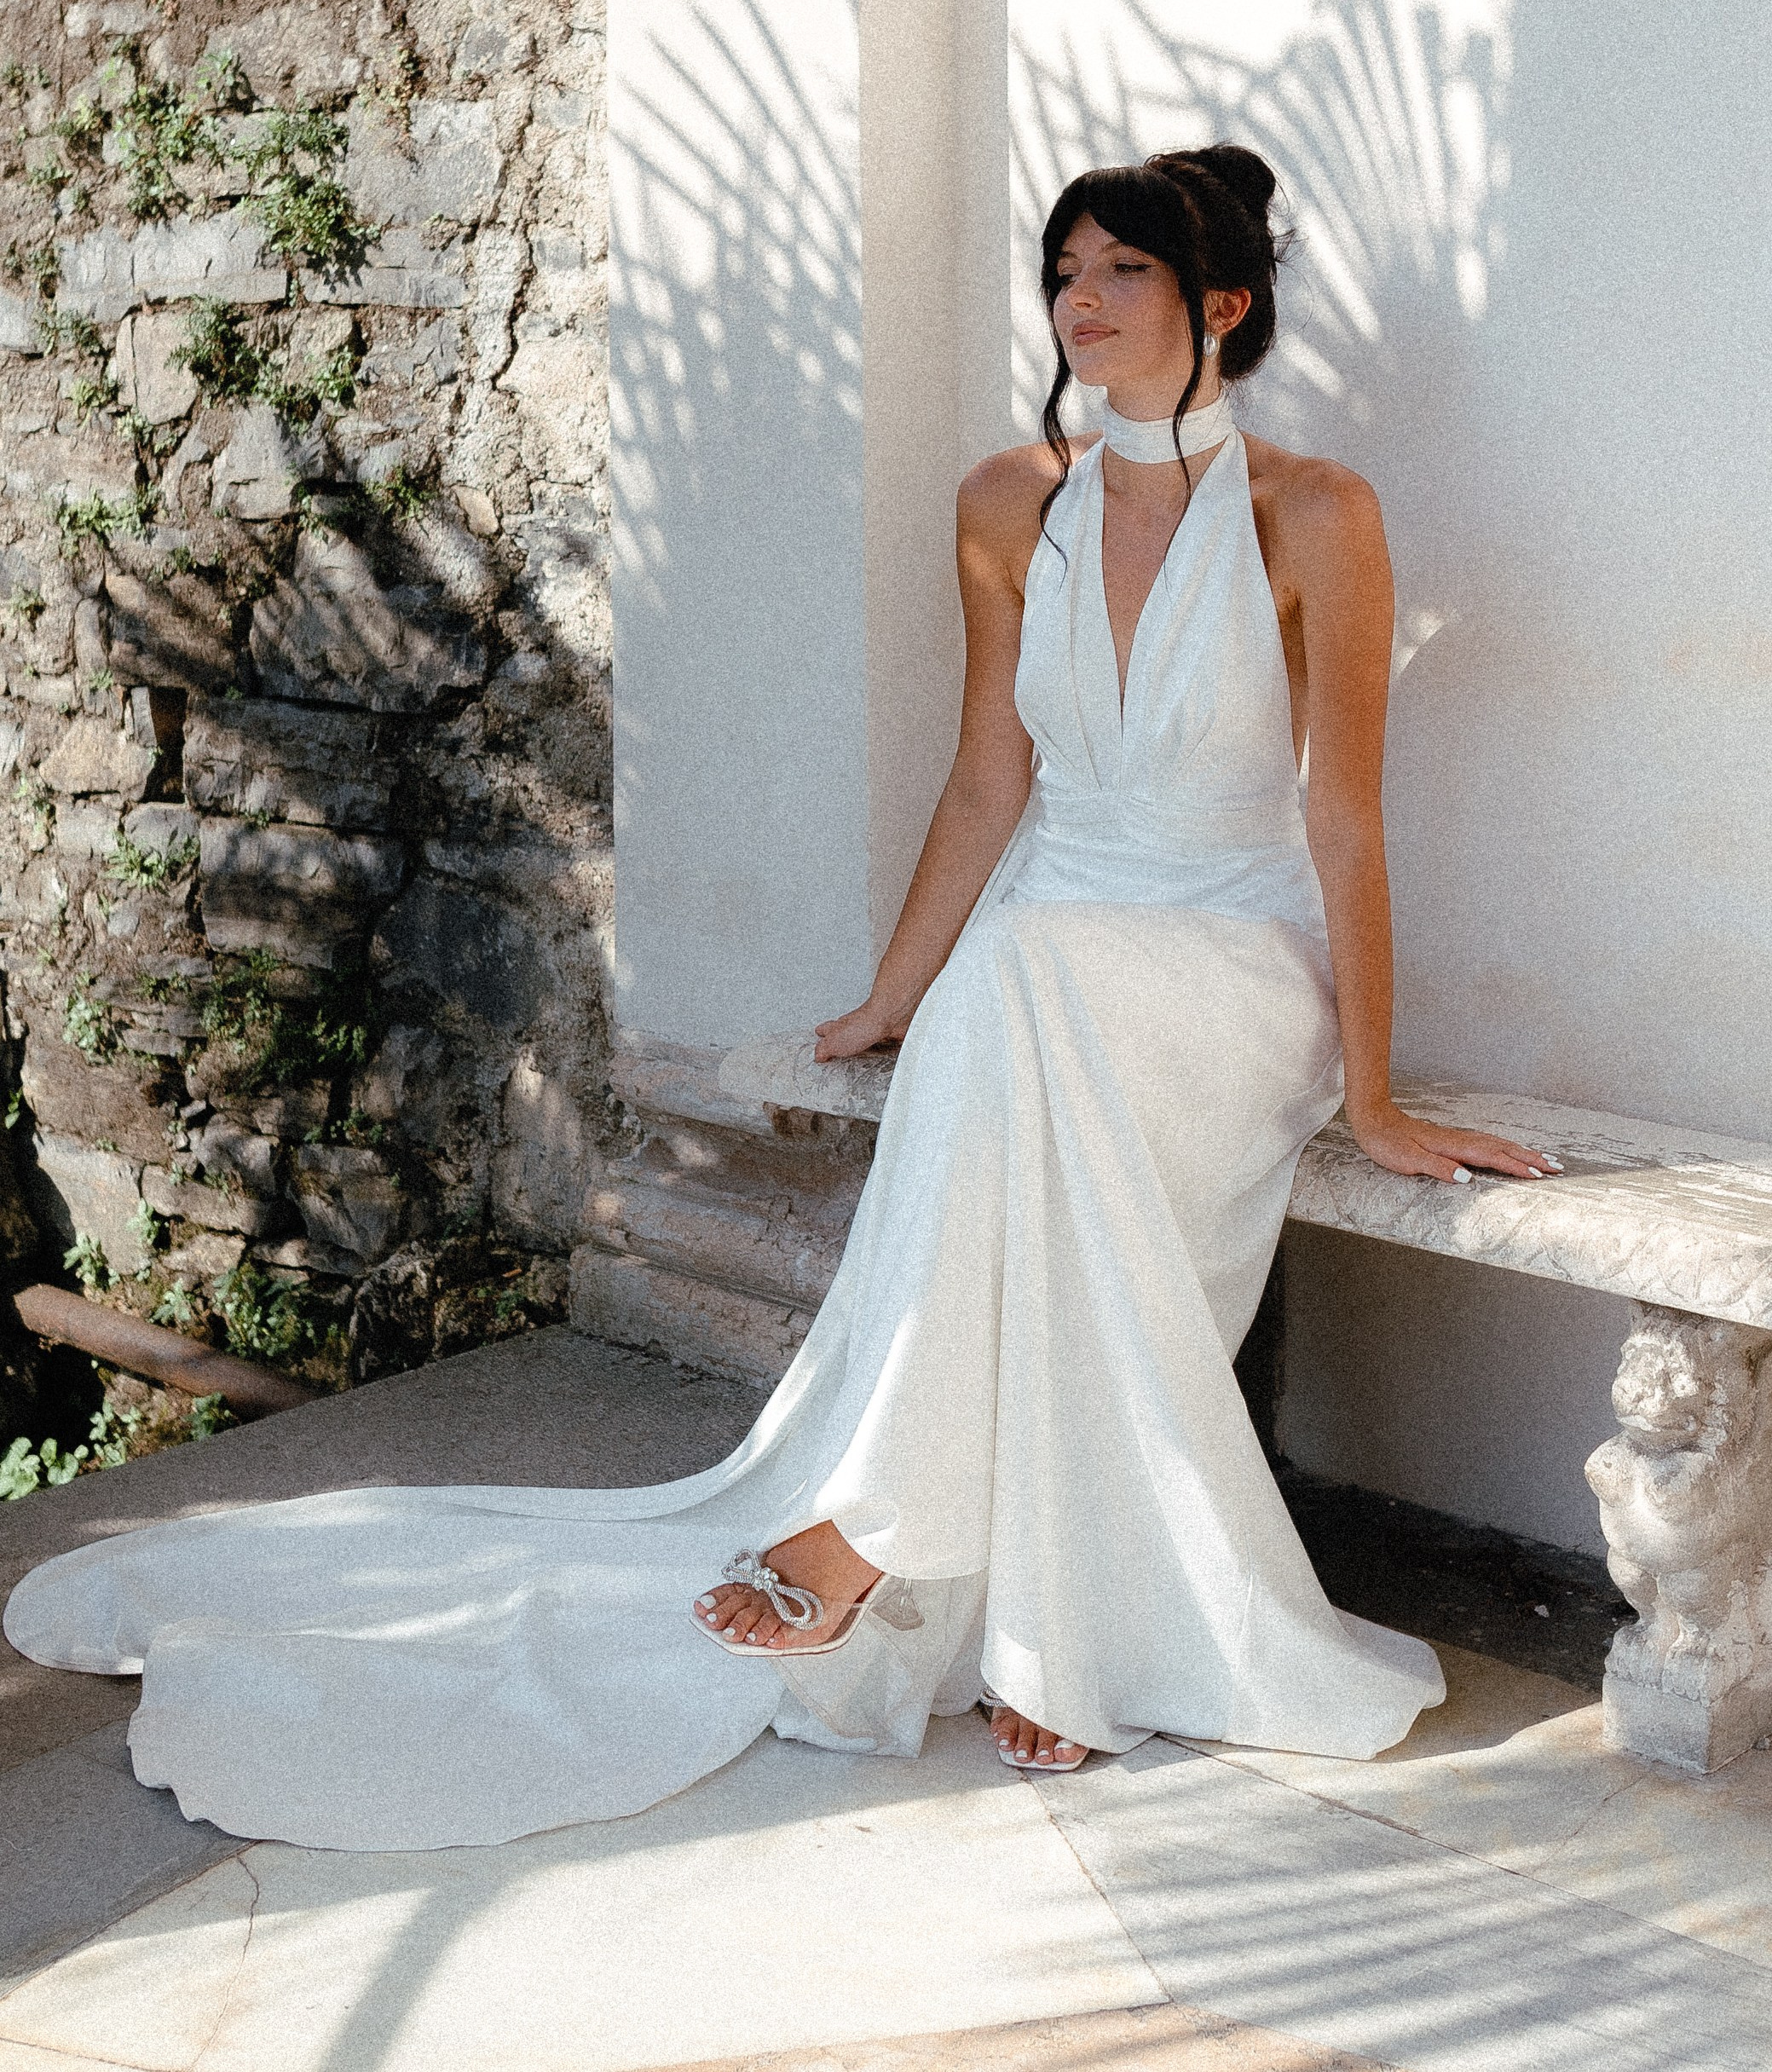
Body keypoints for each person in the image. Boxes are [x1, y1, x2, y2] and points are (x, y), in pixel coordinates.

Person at [4, 141, 1556, 1849]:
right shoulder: (1002, 501)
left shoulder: (1313, 516)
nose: (1080, 302)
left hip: (1230, 960)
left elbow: (1340, 814)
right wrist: (892, 989)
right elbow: (987, 786)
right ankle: (1034, 1606)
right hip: (1055, 956)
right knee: (1003, 981)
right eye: (1064, 274)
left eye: (1120, 272)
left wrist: (1381, 1094)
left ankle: (879, 1531)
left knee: (1017, 982)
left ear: (1223, 305)